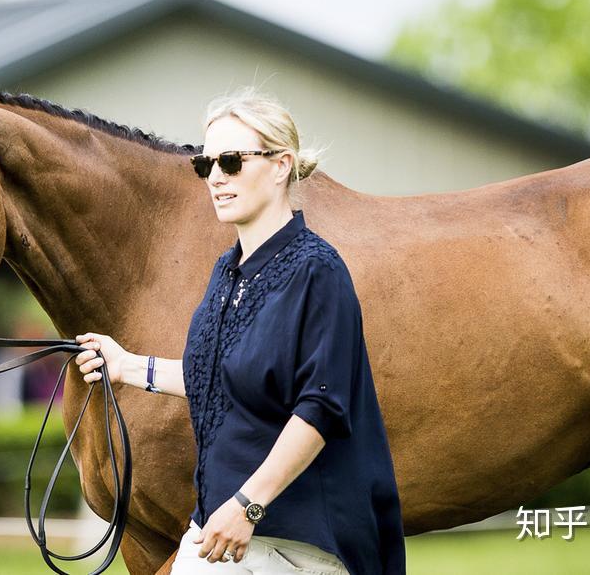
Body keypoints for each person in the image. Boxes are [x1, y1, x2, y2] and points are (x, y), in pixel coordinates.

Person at [75, 87, 405, 574]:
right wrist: (125, 366)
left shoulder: (317, 270)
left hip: (295, 541)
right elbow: (218, 378)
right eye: (205, 165)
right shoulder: (226, 272)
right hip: (218, 533)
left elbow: (321, 408)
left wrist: (248, 504)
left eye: (231, 162)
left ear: (280, 165)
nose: (215, 178)